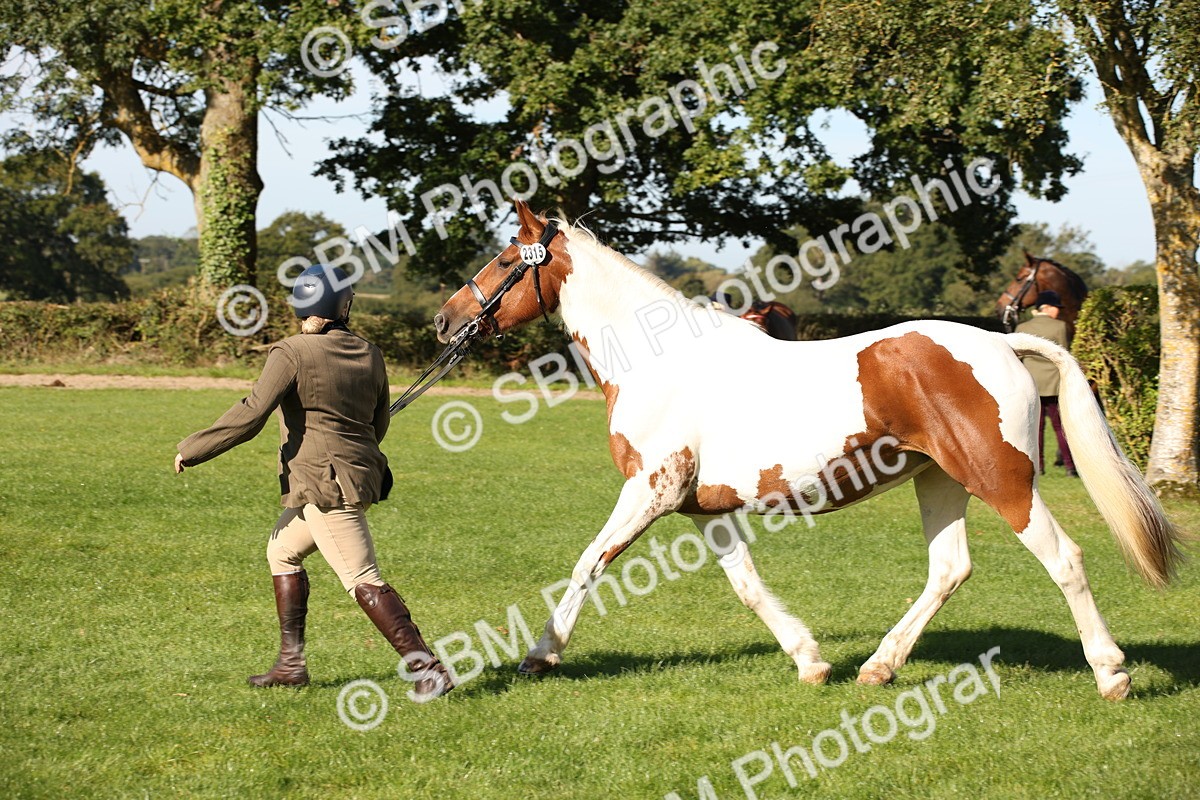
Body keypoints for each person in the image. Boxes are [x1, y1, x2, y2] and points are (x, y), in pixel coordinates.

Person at [174, 266, 453, 699]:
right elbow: (378, 426)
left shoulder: (291, 351)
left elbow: (251, 414)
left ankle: (427, 669)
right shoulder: (370, 352)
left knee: (363, 576)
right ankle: (291, 665)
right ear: (344, 306)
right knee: (282, 551)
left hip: (325, 485)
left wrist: (193, 449)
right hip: (353, 477)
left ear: (302, 305)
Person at [1017, 290, 1077, 477]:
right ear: (1048, 308)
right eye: (1056, 308)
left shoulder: (1022, 327)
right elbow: (1064, 354)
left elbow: (1019, 356)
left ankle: (1038, 466)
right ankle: (1069, 466)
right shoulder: (1060, 327)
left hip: (1031, 382)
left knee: (1036, 428)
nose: (1058, 312)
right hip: (1054, 383)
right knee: (1060, 428)